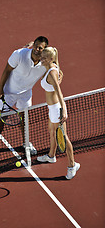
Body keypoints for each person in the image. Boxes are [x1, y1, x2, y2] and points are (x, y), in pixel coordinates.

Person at [0, 36, 49, 159]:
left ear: (45, 50)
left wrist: (59, 73)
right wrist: (0, 89)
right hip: (9, 92)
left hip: (26, 94)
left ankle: (26, 143)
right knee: (0, 119)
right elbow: (6, 70)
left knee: (25, 120)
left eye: (40, 48)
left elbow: (53, 66)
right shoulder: (19, 55)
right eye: (35, 46)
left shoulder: (45, 63)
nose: (37, 49)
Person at [37, 47, 80, 179]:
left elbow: (59, 92)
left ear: (50, 59)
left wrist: (64, 110)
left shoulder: (52, 73)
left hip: (57, 109)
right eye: (41, 56)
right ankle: (51, 156)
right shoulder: (51, 66)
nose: (41, 59)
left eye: (44, 58)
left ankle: (72, 165)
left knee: (63, 137)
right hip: (52, 108)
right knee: (51, 132)